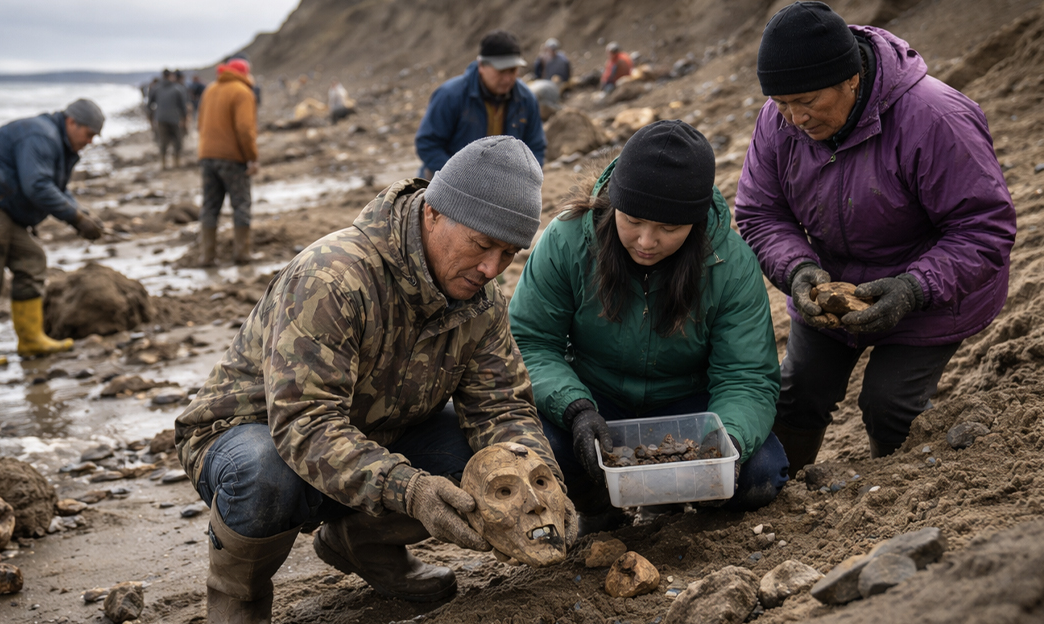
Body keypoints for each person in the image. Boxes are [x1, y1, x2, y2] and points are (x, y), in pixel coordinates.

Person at [175, 137, 576, 624]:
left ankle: (362, 544)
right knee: (264, 473)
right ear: (433, 213)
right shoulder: (334, 277)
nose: (492, 268)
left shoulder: (481, 300)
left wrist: (545, 485)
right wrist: (411, 490)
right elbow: (305, 423)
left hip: (378, 436)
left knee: (505, 457)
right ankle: (239, 600)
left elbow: (501, 408)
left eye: (509, 252)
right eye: (482, 244)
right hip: (253, 436)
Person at [734, 1, 1016, 473]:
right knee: (798, 392)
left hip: (933, 289)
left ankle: (897, 508)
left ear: (852, 78)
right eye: (782, 104)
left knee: (889, 406)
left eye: (807, 102)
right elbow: (761, 211)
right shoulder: (779, 119)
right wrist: (798, 269)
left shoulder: (934, 116)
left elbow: (984, 227)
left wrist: (914, 289)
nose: (794, 119)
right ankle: (778, 493)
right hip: (835, 283)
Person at [509, 121, 787, 520]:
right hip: (596, 399)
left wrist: (725, 442)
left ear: (694, 224)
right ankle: (599, 508)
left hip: (690, 409)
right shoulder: (566, 240)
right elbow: (530, 342)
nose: (645, 242)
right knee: (537, 450)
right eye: (633, 220)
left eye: (668, 228)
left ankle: (679, 505)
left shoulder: (731, 264)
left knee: (759, 473)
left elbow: (747, 376)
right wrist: (577, 409)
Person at [0, 99, 105, 369]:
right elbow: (38, 186)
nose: (90, 142)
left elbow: (54, 186)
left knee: (31, 259)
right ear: (71, 122)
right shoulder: (41, 136)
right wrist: (76, 219)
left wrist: (83, 214)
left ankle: (31, 339)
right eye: (89, 134)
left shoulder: (54, 139)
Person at [415, 30, 546, 179]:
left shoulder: (526, 100)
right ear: (481, 65)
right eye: (501, 71)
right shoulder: (450, 95)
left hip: (500, 185)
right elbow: (428, 144)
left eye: (513, 70)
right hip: (447, 182)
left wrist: (524, 181)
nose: (508, 78)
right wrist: (457, 178)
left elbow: (535, 147)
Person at [196, 58, 258, 267]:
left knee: (210, 206)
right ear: (245, 74)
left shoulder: (210, 90)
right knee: (241, 204)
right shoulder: (242, 92)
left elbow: (199, 124)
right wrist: (252, 158)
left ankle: (207, 256)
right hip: (232, 158)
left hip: (206, 155)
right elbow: (245, 130)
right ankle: (242, 253)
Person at [149, 69, 188, 169]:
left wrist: (152, 117)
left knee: (163, 141)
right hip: (175, 118)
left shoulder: (156, 88)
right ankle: (176, 162)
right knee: (177, 140)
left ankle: (163, 163)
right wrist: (184, 119)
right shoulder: (177, 88)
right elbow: (183, 106)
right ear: (171, 76)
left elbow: (149, 104)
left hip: (161, 118)